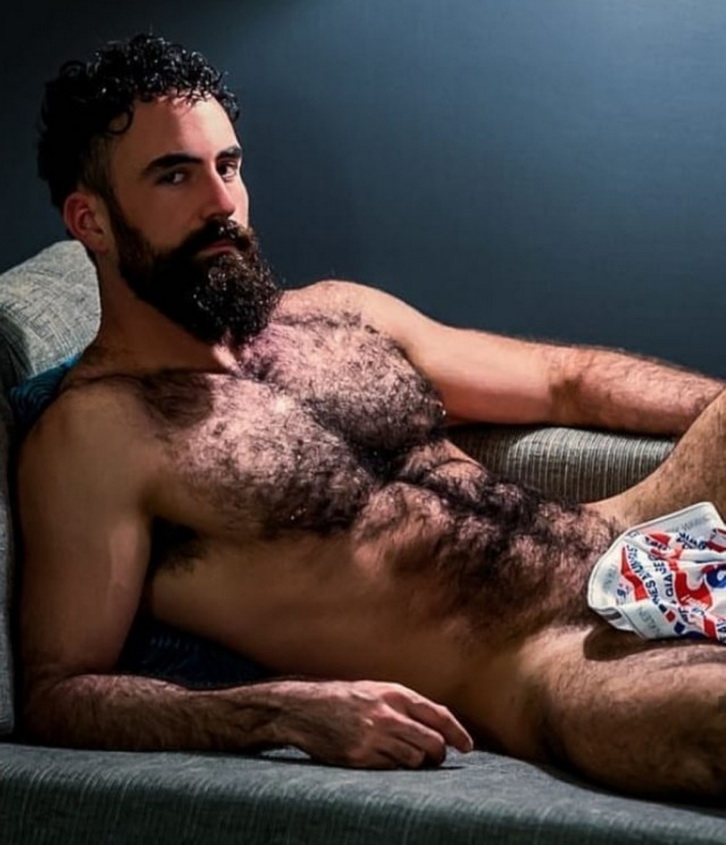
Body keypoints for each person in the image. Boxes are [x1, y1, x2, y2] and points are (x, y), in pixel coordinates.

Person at [17, 32, 726, 800]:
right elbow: (60, 689)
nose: (222, 203)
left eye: (228, 166)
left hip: (627, 531)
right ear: (90, 220)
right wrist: (282, 712)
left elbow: (566, 384)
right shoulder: (98, 433)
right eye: (174, 175)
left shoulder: (337, 313)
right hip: (551, 661)